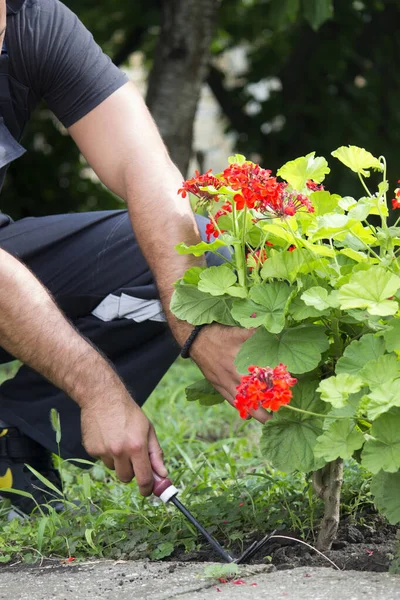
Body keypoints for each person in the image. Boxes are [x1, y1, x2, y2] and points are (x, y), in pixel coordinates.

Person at [0, 0, 268, 515]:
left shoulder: (33, 22)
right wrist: (98, 391)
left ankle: (16, 439)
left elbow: (142, 164)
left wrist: (195, 321)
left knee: (195, 247)